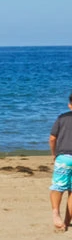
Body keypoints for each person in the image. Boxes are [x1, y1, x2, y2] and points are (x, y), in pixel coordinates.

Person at [49, 92, 72, 231]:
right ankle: (67, 221)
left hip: (63, 156)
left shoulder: (62, 118)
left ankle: (56, 214)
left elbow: (52, 138)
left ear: (70, 104)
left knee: (58, 187)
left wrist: (54, 154)